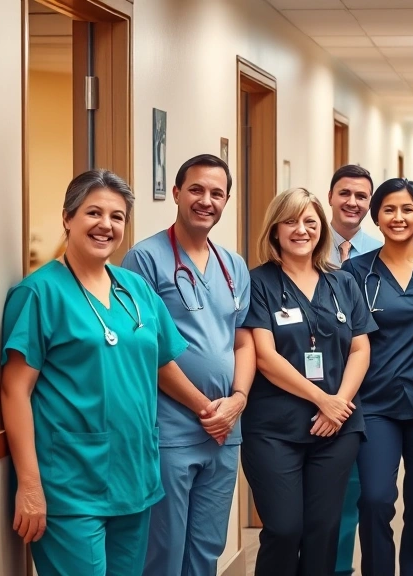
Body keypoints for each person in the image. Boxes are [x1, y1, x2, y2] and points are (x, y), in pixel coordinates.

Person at [0, 170, 189, 575]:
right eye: (93, 213)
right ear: (68, 218)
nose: (106, 225)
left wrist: (210, 408)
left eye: (117, 217)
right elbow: (14, 391)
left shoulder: (137, 290)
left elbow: (161, 365)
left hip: (134, 477)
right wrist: (30, 486)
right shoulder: (39, 293)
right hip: (69, 485)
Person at [122, 154, 255, 576]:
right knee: (165, 547)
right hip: (173, 428)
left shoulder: (233, 265)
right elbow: (148, 349)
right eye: (196, 189)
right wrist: (204, 406)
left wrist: (237, 399)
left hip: (224, 430)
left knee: (207, 546)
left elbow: (242, 340)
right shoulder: (144, 260)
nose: (206, 200)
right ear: (176, 193)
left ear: (227, 200)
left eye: (217, 193)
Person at [241, 188, 374, 575]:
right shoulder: (258, 283)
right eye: (291, 221)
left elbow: (360, 349)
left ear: (321, 229)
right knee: (284, 529)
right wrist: (323, 399)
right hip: (274, 428)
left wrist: (339, 403)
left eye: (310, 222)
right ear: (275, 229)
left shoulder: (343, 283)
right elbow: (265, 356)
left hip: (337, 429)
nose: (302, 230)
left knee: (323, 531)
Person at [340, 178, 413, 576]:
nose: (398, 217)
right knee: (375, 499)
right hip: (374, 404)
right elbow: (346, 341)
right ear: (376, 216)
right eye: (389, 209)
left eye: (408, 209)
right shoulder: (354, 272)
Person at [327, 164, 381, 576]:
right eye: (345, 193)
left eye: (362, 196)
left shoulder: (378, 255)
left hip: (364, 392)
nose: (352, 202)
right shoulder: (303, 241)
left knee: (358, 494)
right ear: (331, 196)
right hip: (312, 388)